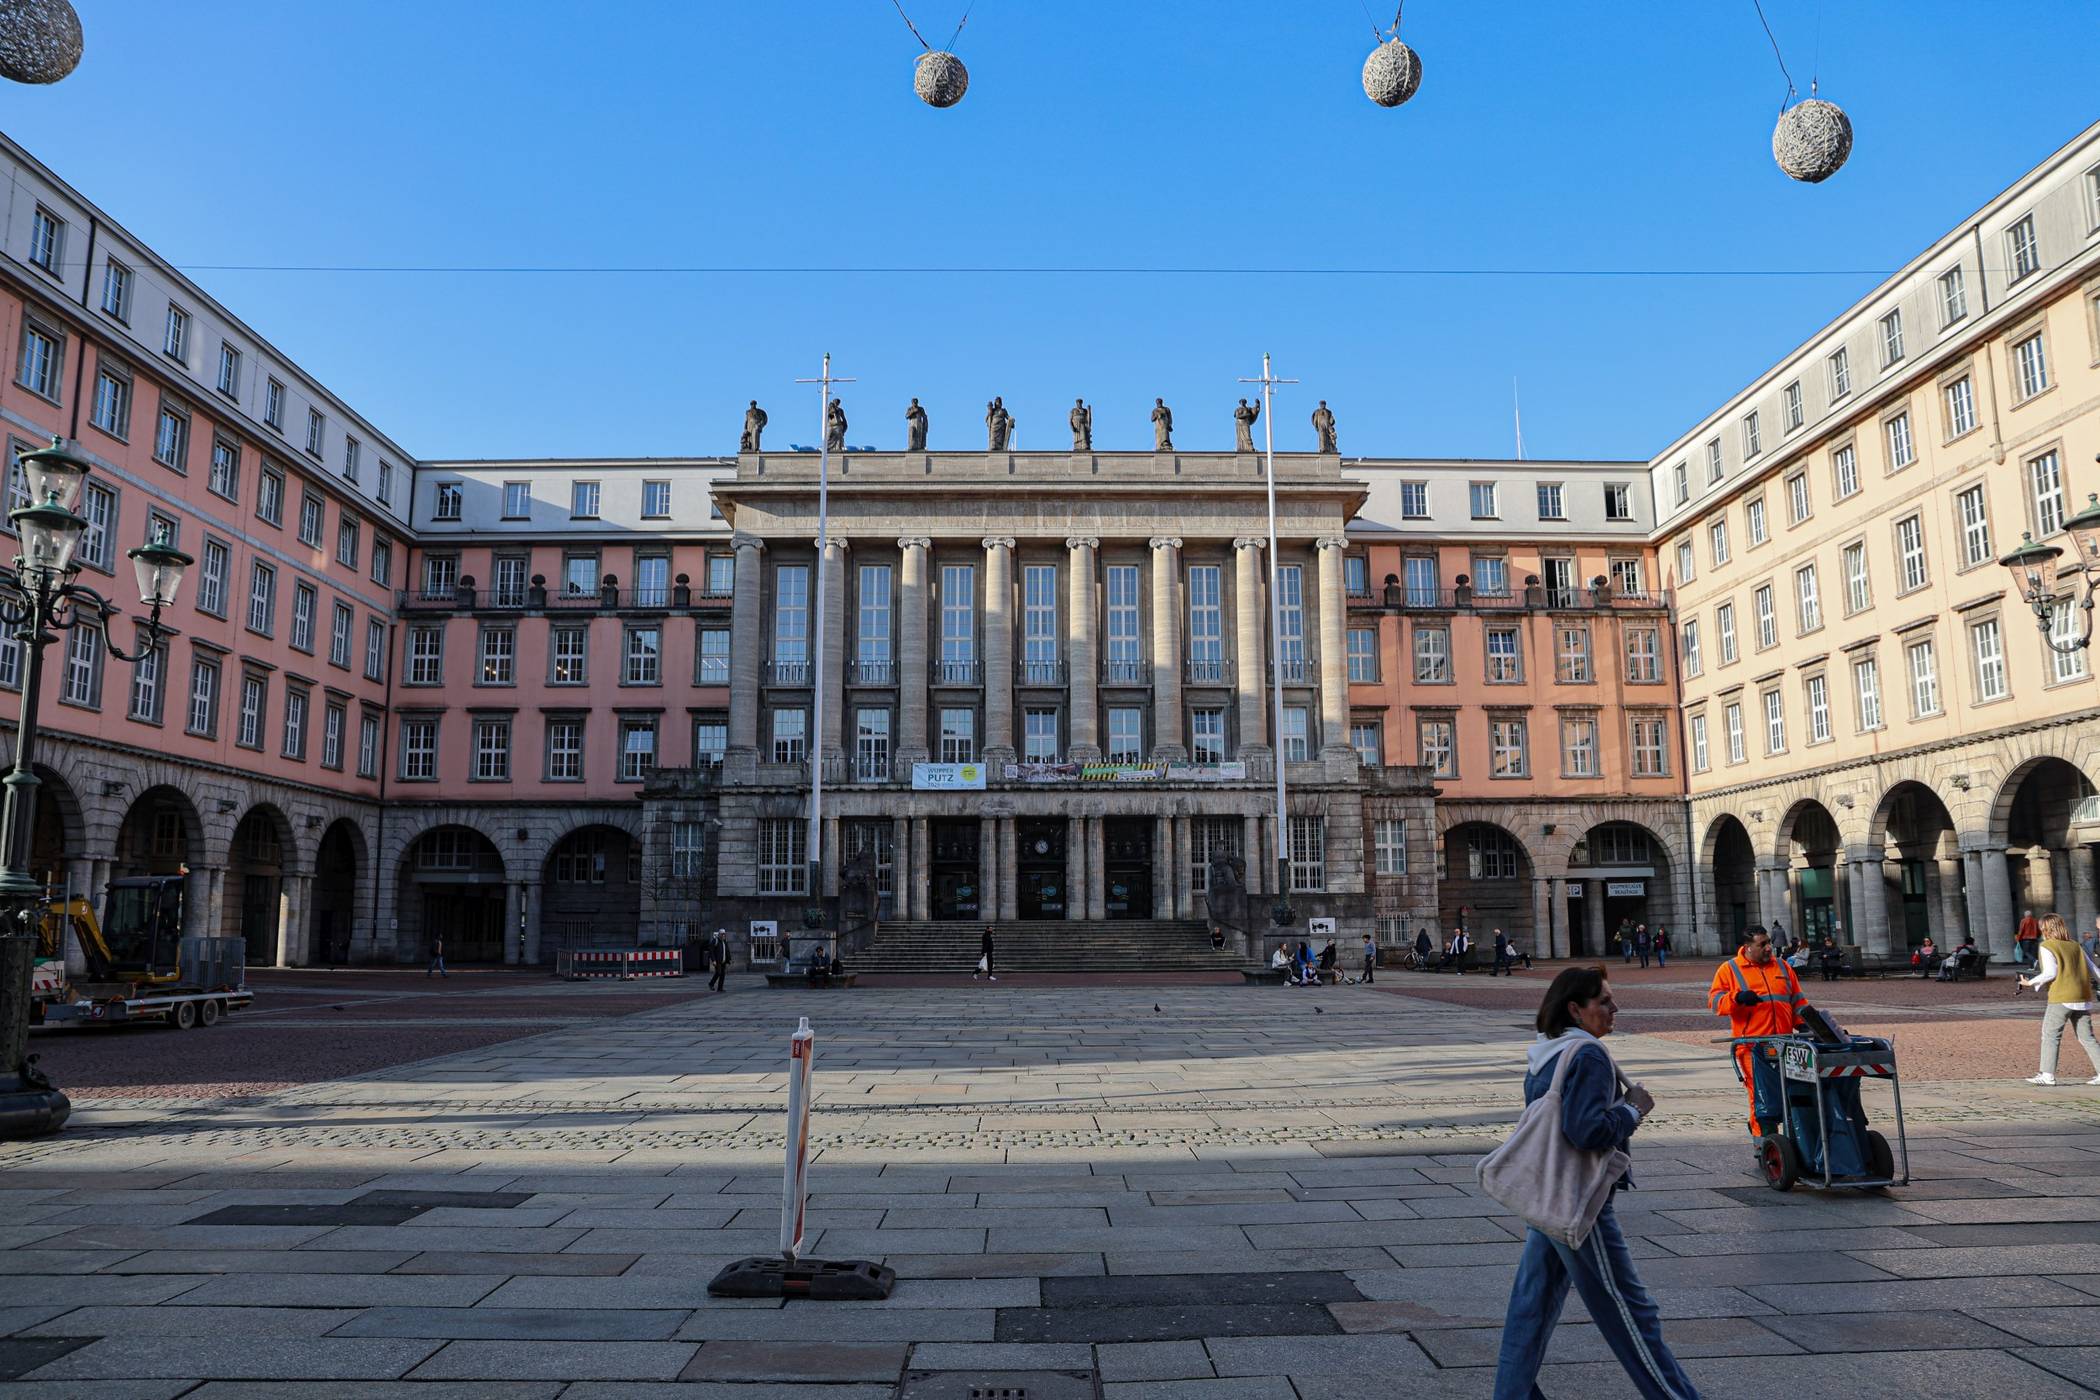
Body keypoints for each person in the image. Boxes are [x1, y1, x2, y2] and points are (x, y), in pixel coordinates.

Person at [1494, 966, 1698, 1400]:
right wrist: (1632, 1110)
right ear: (1575, 1009)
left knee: (1530, 1309)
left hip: (1547, 1195)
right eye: (1603, 1001)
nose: (1614, 1007)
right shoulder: (1588, 1055)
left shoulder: (1547, 1051)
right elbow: (1585, 1131)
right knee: (1629, 1310)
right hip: (1580, 1199)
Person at [1709, 925, 1866, 1177]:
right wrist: (1737, 999)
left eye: (1769, 942)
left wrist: (1806, 1024)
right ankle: (1764, 1148)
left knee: (1795, 1092)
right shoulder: (1729, 969)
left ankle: (1799, 1144)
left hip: (1785, 1044)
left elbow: (1798, 1002)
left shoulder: (1782, 967)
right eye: (1762, 944)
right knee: (1760, 1099)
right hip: (1752, 1045)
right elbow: (1715, 1001)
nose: (1768, 948)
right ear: (1748, 947)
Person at [2020, 912, 2100, 1086]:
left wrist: (2030, 982)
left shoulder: (2047, 945)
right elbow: (2093, 969)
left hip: (2061, 996)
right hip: (2082, 996)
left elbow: (2050, 973)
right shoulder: (2075, 945)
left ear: (2046, 929)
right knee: (2087, 1037)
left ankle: (2047, 1075)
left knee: (2050, 1035)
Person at [706, 928, 729, 993]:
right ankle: (711, 984)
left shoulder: (724, 941)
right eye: (722, 934)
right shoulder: (715, 941)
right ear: (719, 934)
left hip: (723, 961)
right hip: (717, 961)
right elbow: (711, 951)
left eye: (724, 934)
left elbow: (727, 951)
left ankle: (720, 988)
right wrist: (713, 960)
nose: (723, 936)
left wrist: (729, 959)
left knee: (723, 974)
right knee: (718, 972)